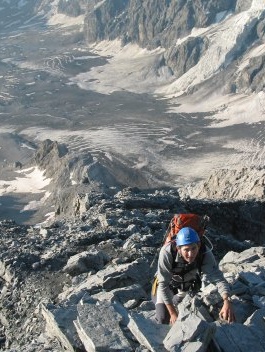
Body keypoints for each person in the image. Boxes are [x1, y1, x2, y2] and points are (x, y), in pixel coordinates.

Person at [151, 226, 235, 325]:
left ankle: (173, 302)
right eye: (186, 250)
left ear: (198, 245)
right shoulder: (167, 253)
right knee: (163, 318)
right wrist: (173, 313)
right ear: (178, 249)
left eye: (194, 248)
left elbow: (217, 278)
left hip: (185, 286)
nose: (191, 254)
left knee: (177, 306)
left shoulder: (204, 253)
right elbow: (163, 284)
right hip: (165, 285)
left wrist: (227, 301)